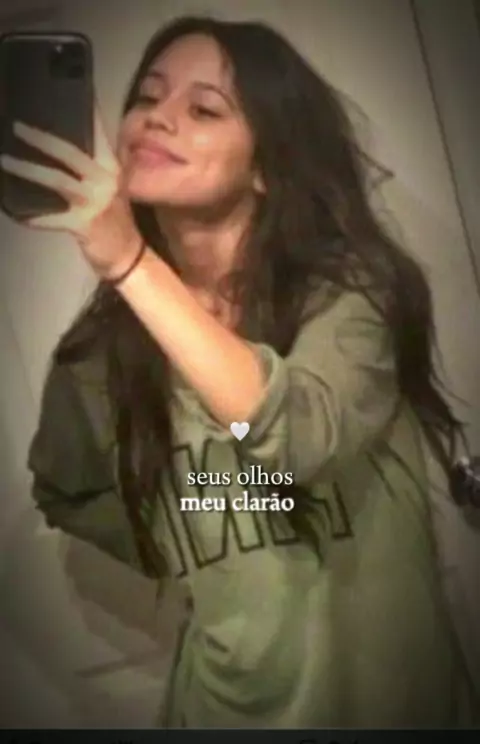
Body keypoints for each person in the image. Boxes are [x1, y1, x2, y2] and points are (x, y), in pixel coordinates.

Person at [3, 15, 479, 729]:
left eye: (203, 109)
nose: (157, 118)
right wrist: (183, 538)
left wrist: (129, 261)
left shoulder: (351, 293)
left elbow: (301, 438)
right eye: (147, 97)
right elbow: (64, 489)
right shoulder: (103, 350)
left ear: (266, 165)